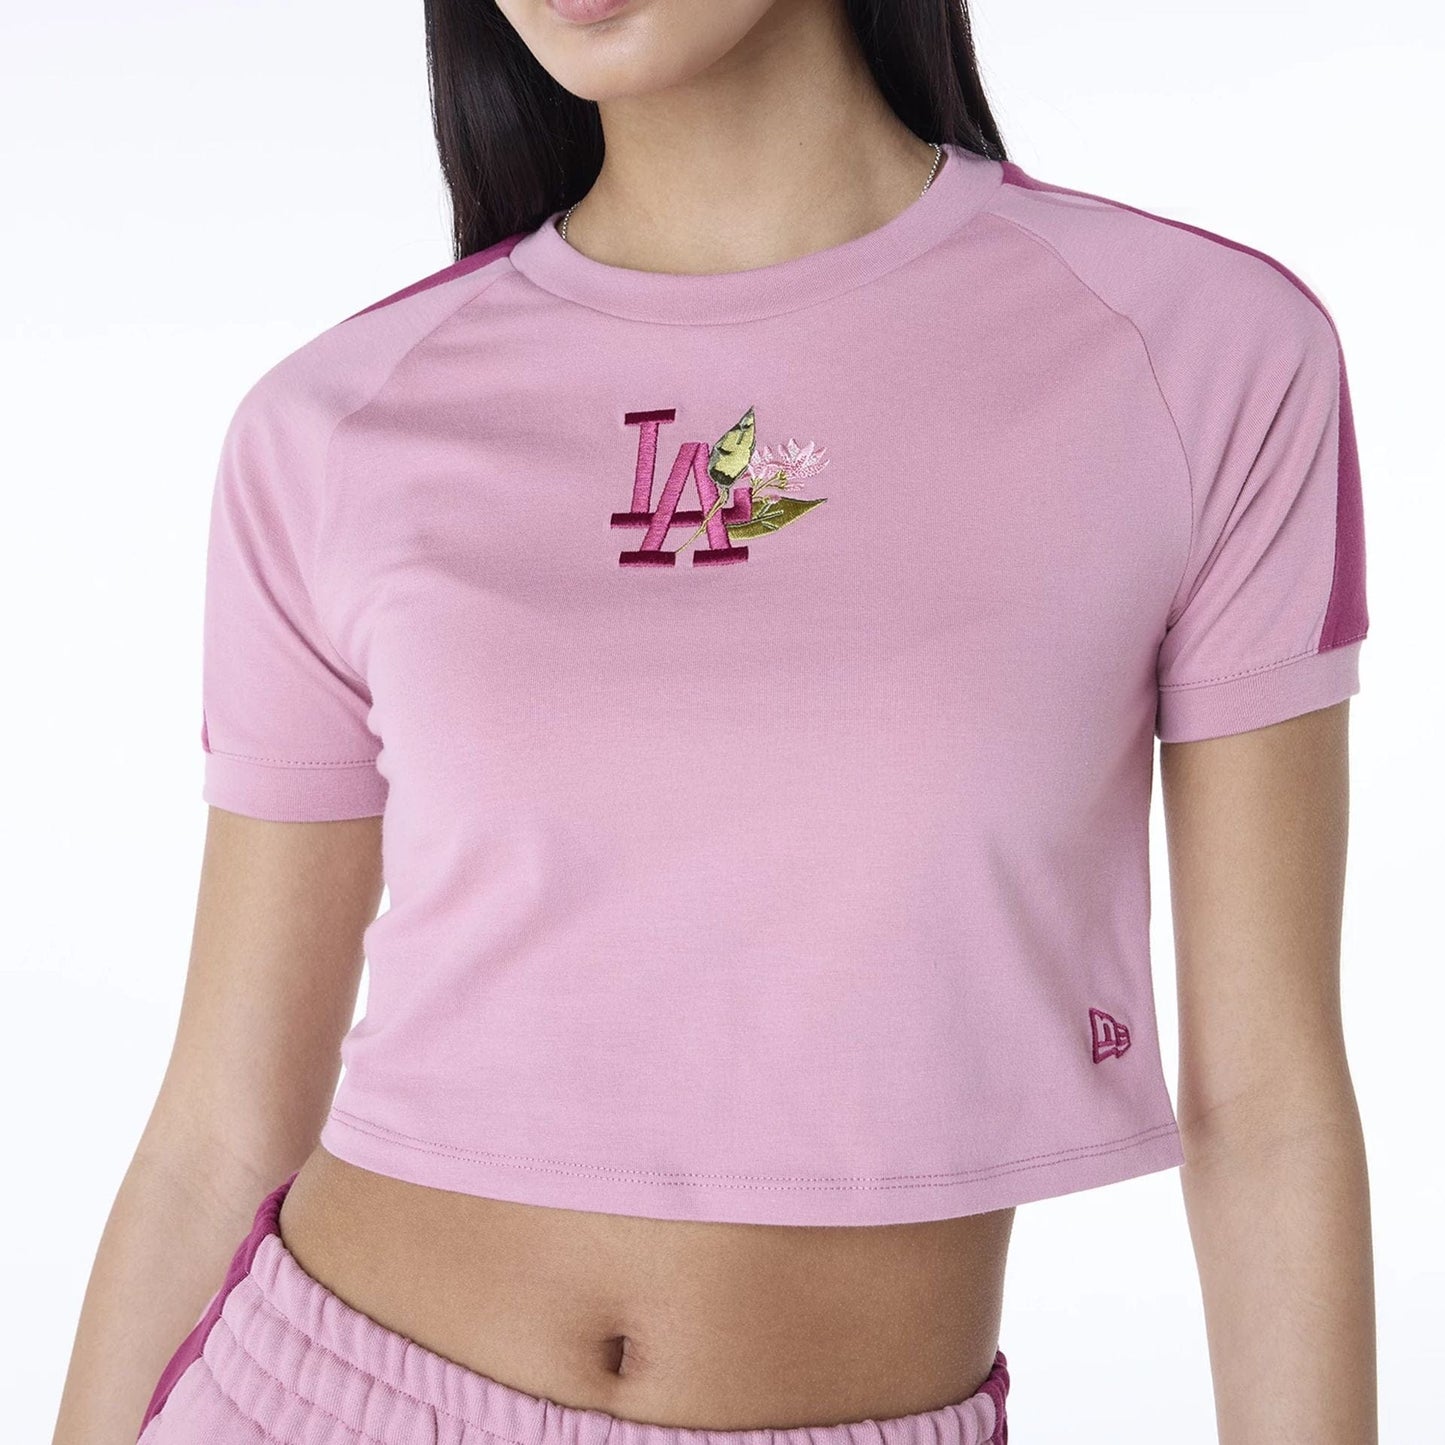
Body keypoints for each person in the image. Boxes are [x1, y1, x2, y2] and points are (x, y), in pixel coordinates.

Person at [50, 1, 1378, 1442]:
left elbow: (1266, 1109)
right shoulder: (337, 420)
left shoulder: (1198, 356)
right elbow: (221, 1128)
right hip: (318, 1394)